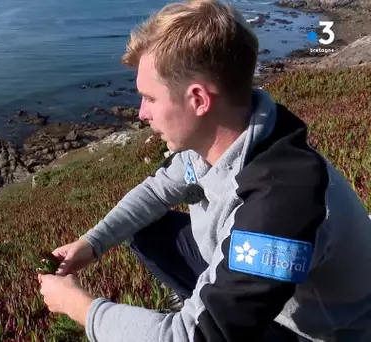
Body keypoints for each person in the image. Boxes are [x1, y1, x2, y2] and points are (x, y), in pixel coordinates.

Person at [36, 0, 371, 341]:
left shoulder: (280, 204)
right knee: (147, 227)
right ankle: (207, 299)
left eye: (150, 98)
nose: (141, 114)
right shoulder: (231, 133)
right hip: (264, 289)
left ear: (198, 99)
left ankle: (209, 305)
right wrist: (91, 243)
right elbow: (155, 191)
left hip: (315, 332)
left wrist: (76, 305)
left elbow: (195, 338)